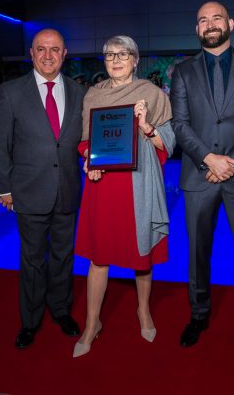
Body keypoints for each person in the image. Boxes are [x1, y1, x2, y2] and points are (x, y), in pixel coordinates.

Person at [170, 1, 234, 353]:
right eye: (202, 20)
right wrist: (209, 159)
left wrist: (230, 161)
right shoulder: (182, 71)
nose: (210, 24)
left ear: (230, 22)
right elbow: (180, 125)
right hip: (199, 177)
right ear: (196, 29)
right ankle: (198, 315)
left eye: (216, 18)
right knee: (197, 254)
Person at [73, 35, 175, 358]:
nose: (116, 60)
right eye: (110, 55)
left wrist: (147, 127)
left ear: (135, 59)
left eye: (123, 54)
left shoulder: (152, 95)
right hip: (102, 185)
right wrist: (88, 158)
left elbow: (168, 143)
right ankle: (92, 324)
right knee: (98, 257)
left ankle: (143, 311)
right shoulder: (93, 96)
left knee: (140, 256)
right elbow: (85, 141)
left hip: (139, 184)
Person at [0, 28, 87, 349]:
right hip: (29, 190)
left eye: (55, 49)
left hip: (67, 189)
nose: (48, 55)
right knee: (33, 259)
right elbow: (1, 145)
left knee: (63, 256)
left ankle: (60, 310)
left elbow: (85, 141)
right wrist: (4, 187)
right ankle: (30, 321)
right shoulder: (12, 91)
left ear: (64, 54)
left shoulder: (78, 92)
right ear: (31, 53)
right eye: (41, 49)